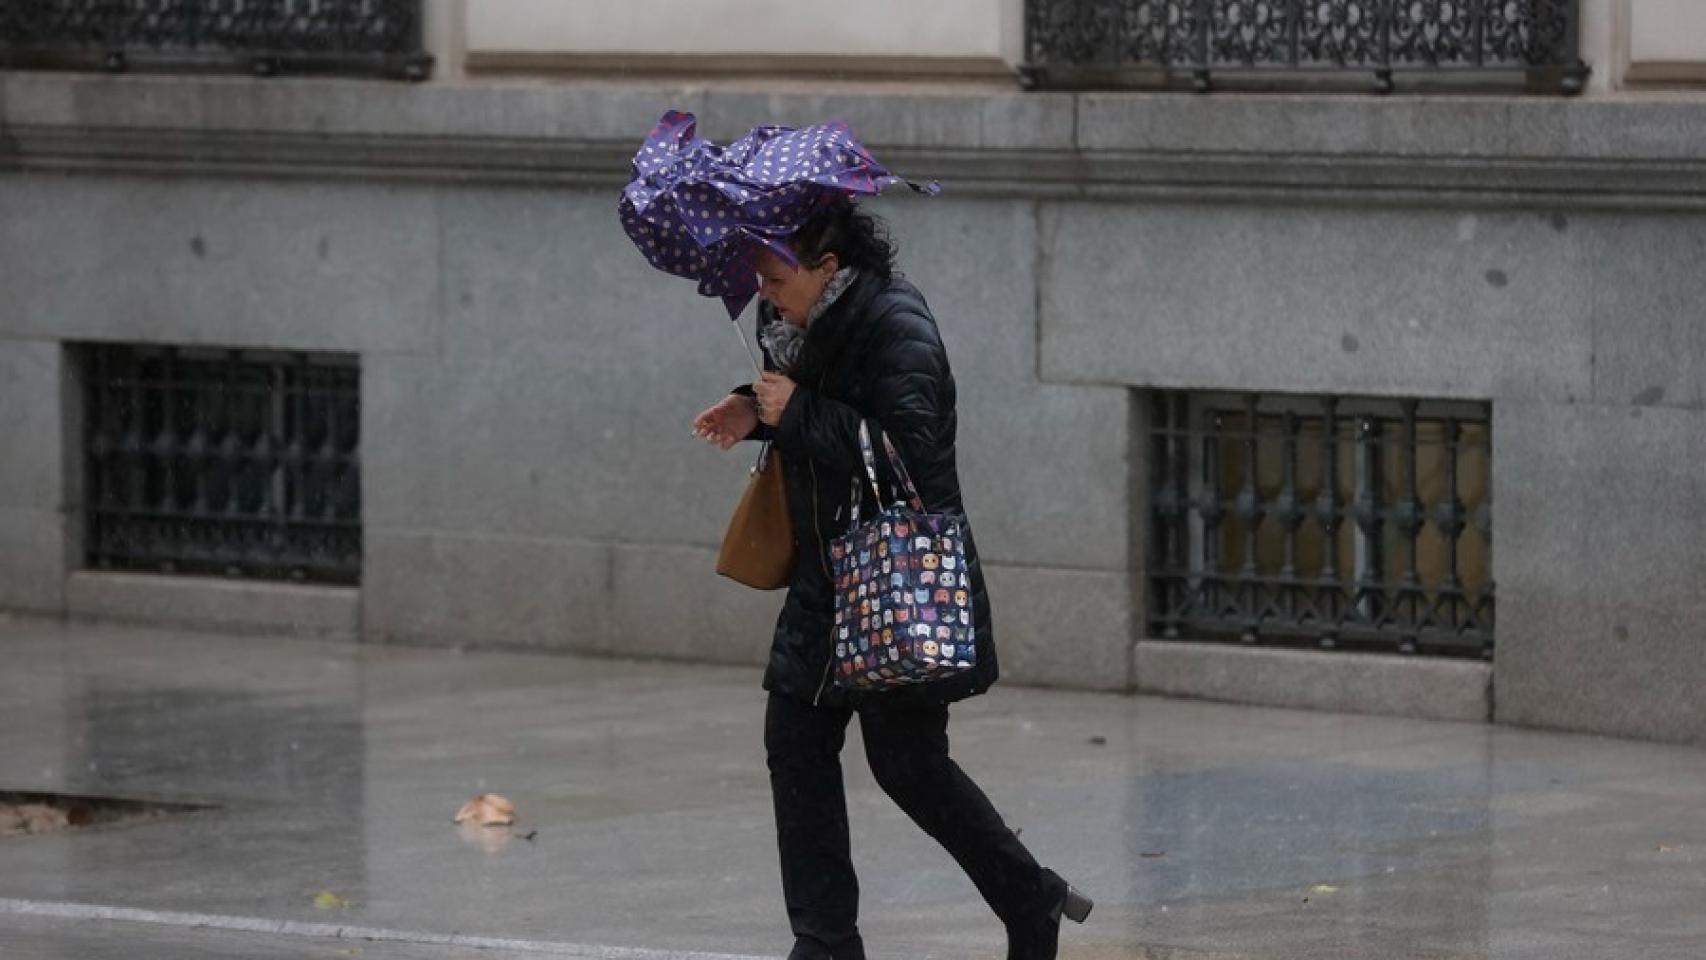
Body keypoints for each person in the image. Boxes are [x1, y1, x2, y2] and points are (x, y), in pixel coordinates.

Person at [692, 197, 1090, 960]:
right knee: (795, 744)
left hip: (892, 577)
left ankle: (1029, 897)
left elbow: (912, 455)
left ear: (827, 268)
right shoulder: (794, 332)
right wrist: (755, 409)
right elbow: (813, 412)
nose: (764, 294)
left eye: (776, 278)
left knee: (907, 764)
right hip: (824, 578)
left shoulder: (897, 324)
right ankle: (825, 939)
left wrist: (798, 410)